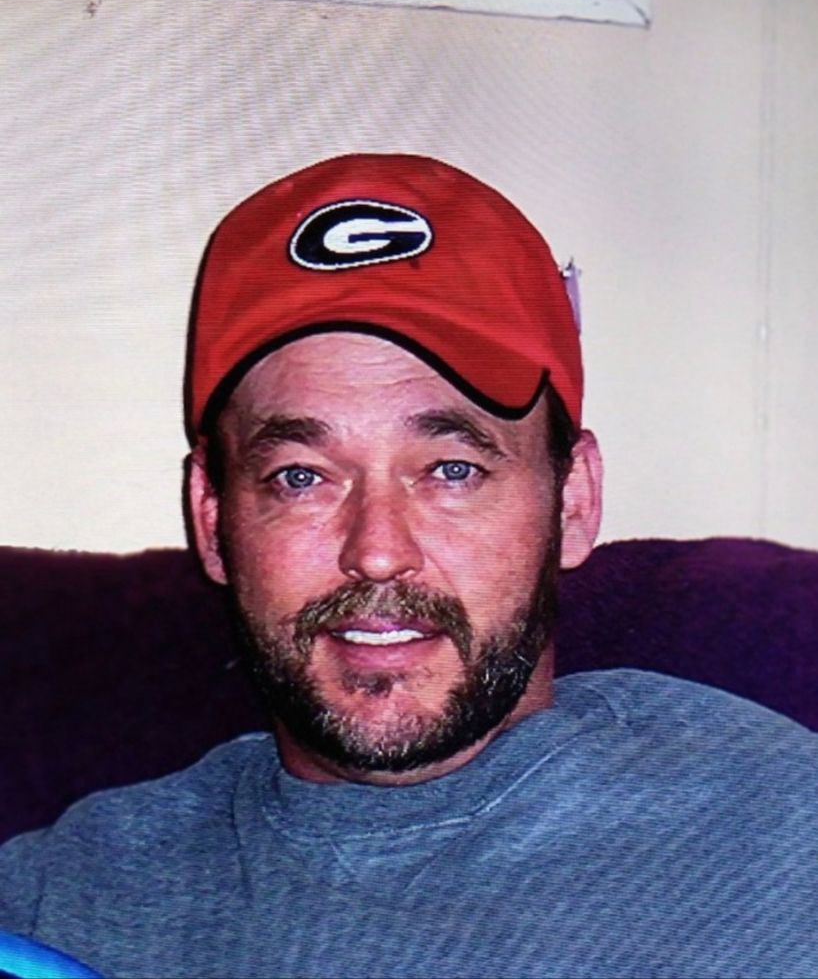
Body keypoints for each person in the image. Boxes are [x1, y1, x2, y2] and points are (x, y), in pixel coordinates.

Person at [1, 153, 817, 979]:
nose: (378, 550)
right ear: (212, 520)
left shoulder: (780, 835)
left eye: (452, 470)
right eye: (301, 477)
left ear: (574, 501)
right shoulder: (59, 906)